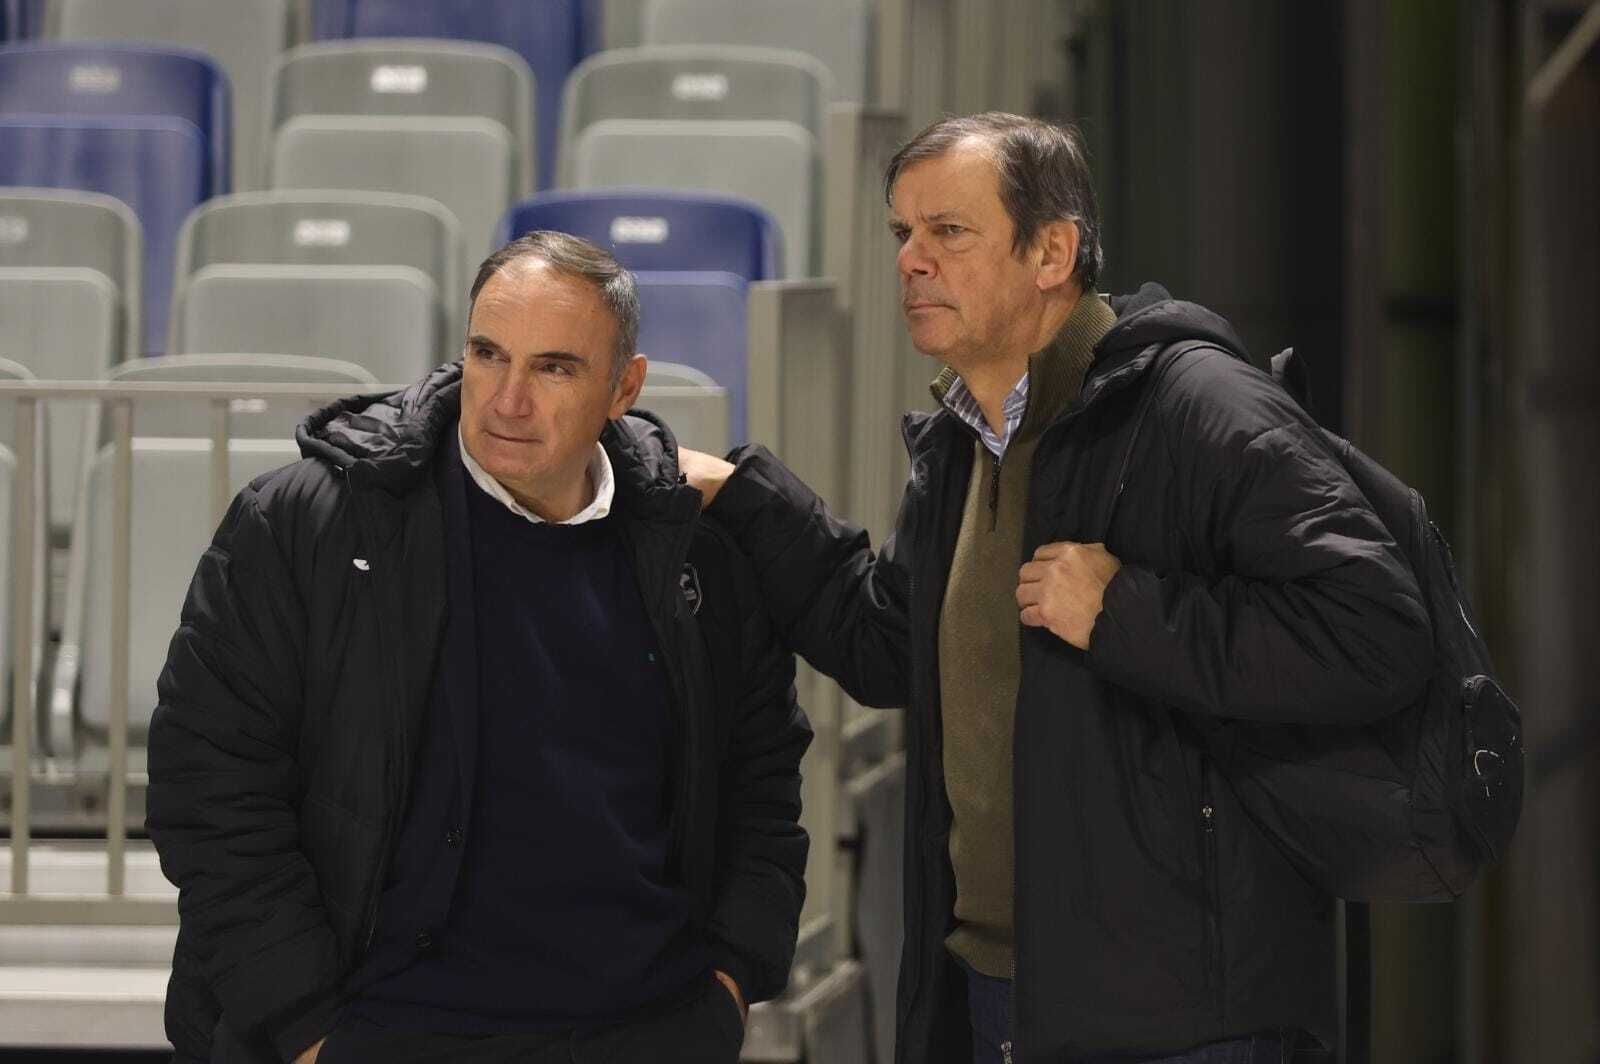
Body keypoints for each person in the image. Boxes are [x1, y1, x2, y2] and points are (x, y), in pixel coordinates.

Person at [679, 112, 1433, 1064]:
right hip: (1002, 999)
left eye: (948, 232)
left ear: (1052, 252)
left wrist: (1127, 613)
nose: (912, 261)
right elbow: (889, 646)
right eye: (901, 234)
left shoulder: (1197, 407)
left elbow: (1379, 632)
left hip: (1182, 1025)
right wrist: (742, 495)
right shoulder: (965, 439)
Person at [147, 231, 812, 1064]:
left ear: (623, 387)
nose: (506, 400)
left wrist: (727, 986)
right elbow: (209, 786)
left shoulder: (696, 552)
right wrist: (307, 1028)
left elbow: (763, 780)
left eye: (555, 368)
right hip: (378, 1032)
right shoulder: (303, 525)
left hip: (647, 1027)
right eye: (488, 355)